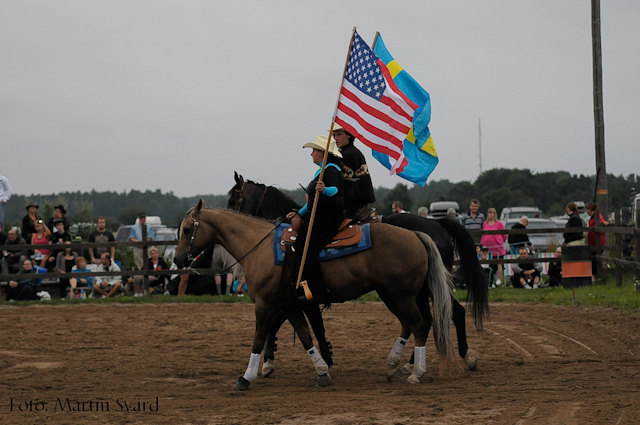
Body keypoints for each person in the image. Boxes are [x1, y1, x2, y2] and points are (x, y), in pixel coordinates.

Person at [286, 135, 344, 305]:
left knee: (304, 246)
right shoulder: (321, 170)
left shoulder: (331, 169)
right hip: (317, 214)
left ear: (322, 153)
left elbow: (335, 190)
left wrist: (325, 189)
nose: (311, 154)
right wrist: (299, 213)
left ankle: (319, 292)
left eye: (313, 151)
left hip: (328, 217)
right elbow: (313, 202)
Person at [332, 125, 375, 219]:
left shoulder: (348, 155)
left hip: (354, 205)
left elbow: (344, 183)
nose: (335, 138)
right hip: (354, 202)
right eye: (333, 135)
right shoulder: (349, 152)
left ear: (348, 135)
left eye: (339, 134)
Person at [480, 207, 507, 286]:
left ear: (494, 214)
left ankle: (498, 279)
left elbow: (504, 234)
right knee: (488, 265)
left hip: (497, 247)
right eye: (488, 213)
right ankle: (490, 280)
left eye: (491, 213)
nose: (489, 215)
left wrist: (500, 240)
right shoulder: (485, 223)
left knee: (498, 263)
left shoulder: (499, 223)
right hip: (487, 248)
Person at [586, 202, 608, 277]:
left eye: (587, 210)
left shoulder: (597, 216)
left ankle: (596, 275)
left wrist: (604, 223)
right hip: (593, 242)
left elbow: (602, 221)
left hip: (597, 242)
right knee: (594, 259)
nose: (586, 212)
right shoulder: (593, 217)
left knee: (595, 259)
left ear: (590, 210)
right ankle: (596, 275)